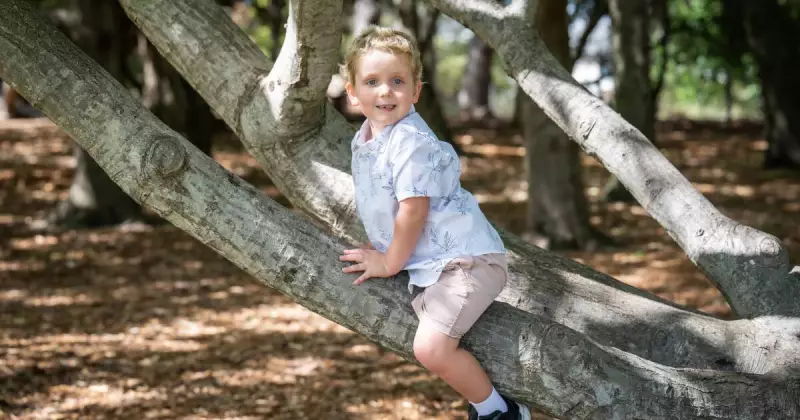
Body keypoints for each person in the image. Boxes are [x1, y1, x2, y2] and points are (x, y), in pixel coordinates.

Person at [337, 26, 532, 420]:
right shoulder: (368, 140)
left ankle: (500, 412)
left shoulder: (409, 141)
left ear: (416, 91)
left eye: (397, 81)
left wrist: (390, 261)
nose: (385, 91)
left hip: (467, 263)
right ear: (353, 92)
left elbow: (413, 210)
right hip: (436, 266)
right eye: (372, 82)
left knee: (430, 348)